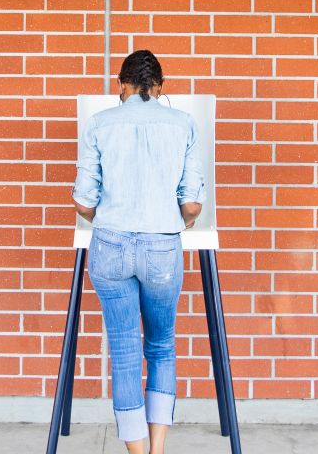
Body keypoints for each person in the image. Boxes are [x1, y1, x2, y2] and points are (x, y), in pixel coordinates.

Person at [71, 51, 205, 454]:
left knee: (125, 351)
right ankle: (158, 450)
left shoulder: (99, 123)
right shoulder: (183, 123)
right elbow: (192, 204)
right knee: (161, 345)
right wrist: (179, 220)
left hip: (110, 246)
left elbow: (83, 200)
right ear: (159, 88)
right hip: (161, 248)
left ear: (121, 86)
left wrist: (106, 218)